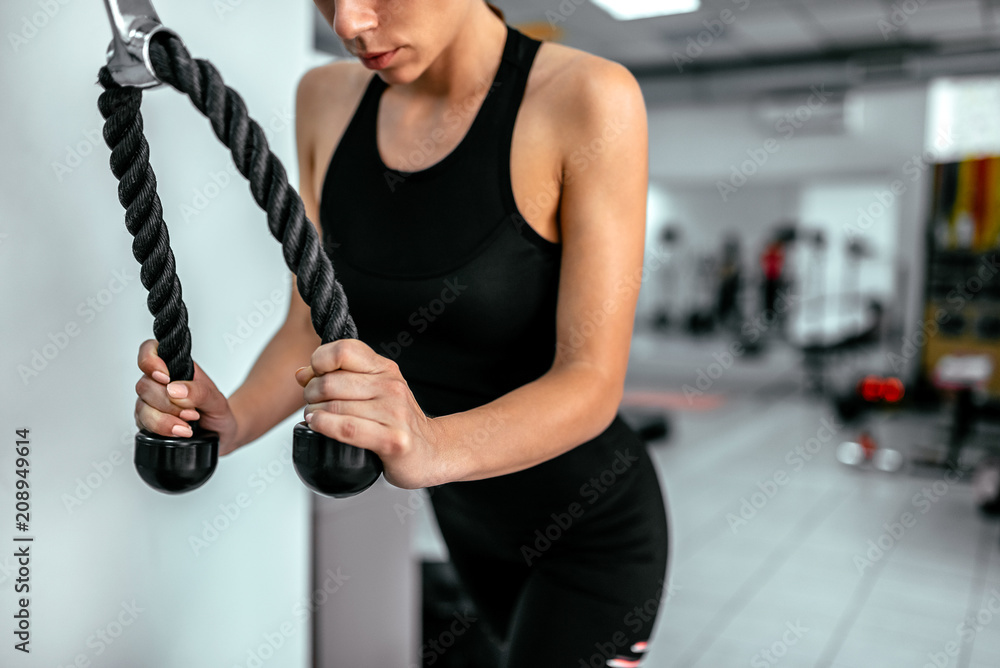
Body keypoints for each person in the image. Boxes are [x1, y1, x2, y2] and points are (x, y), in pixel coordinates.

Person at [132, 1, 670, 665]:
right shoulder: (326, 97)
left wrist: (433, 442)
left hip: (593, 531)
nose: (350, 24)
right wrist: (232, 419)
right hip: (470, 526)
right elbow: (310, 329)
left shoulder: (589, 98)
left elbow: (590, 381)